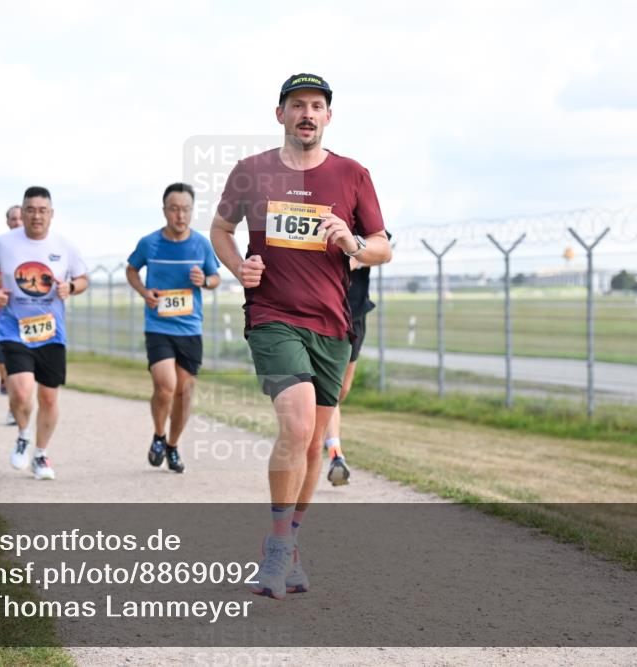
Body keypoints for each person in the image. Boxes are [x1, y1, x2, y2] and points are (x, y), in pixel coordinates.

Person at [210, 73, 391, 599]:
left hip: (332, 323)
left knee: (314, 442)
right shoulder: (251, 172)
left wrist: (354, 242)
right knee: (295, 423)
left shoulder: (353, 175)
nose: (306, 114)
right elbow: (221, 229)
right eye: (296, 105)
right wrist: (239, 264)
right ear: (280, 114)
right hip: (272, 315)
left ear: (328, 117)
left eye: (316, 106)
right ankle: (274, 547)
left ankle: (291, 542)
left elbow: (382, 246)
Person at [0, 186, 88, 481]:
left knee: (50, 398)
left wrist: (71, 287)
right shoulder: (3, 243)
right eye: (31, 209)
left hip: (51, 332)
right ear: (23, 212)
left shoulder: (65, 246)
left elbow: (82, 278)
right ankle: (23, 433)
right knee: (20, 390)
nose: (36, 216)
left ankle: (40, 454)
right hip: (14, 327)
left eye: (42, 210)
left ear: (51, 214)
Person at [126, 182, 221, 474]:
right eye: (174, 209)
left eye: (186, 209)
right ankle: (158, 435)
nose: (180, 215)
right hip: (159, 326)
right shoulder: (149, 243)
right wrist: (144, 293)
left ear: (192, 211)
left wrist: (202, 281)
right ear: (165, 210)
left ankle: (173, 445)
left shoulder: (201, 244)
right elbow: (131, 269)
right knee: (166, 387)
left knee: (185, 392)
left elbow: (215, 278)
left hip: (190, 328)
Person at [322, 258, 374, 485]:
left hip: (354, 312)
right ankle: (336, 454)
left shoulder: (364, 222)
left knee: (341, 390)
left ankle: (313, 432)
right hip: (320, 311)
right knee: (328, 390)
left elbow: (381, 250)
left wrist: (352, 257)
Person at [0, 205, 23, 426]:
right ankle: (14, 407)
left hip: (35, 318)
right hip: (5, 315)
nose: (18, 222)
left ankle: (22, 405)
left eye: (21, 218)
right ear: (8, 222)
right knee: (7, 364)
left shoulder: (42, 247)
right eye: (14, 219)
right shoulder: (1, 247)